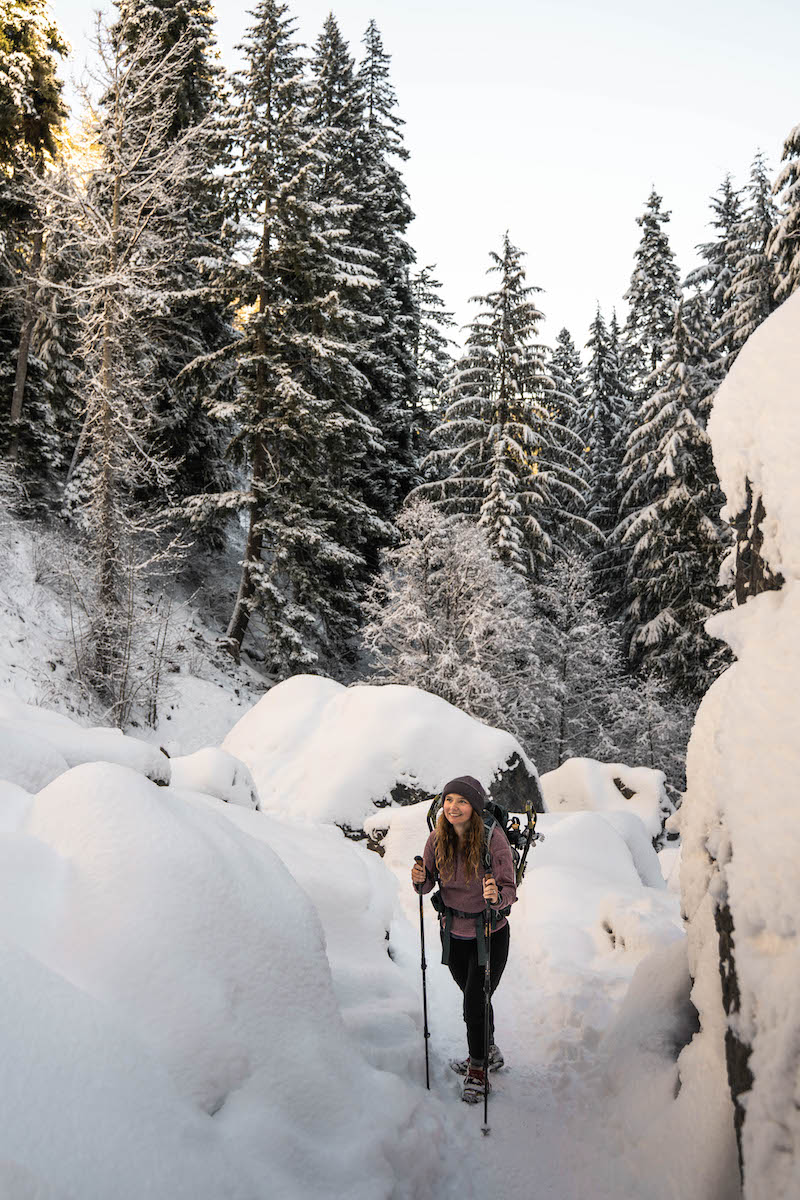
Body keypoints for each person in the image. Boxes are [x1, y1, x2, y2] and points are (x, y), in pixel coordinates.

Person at [411, 775, 516, 1103]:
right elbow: (427, 884)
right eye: (449, 800)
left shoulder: (492, 839)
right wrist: (419, 879)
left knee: (473, 1002)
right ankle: (488, 1049)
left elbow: (509, 891)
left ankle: (478, 1070)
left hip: (490, 935)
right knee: (478, 999)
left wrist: (495, 894)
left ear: (474, 806)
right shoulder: (436, 839)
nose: (453, 807)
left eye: (462, 801)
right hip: (453, 935)